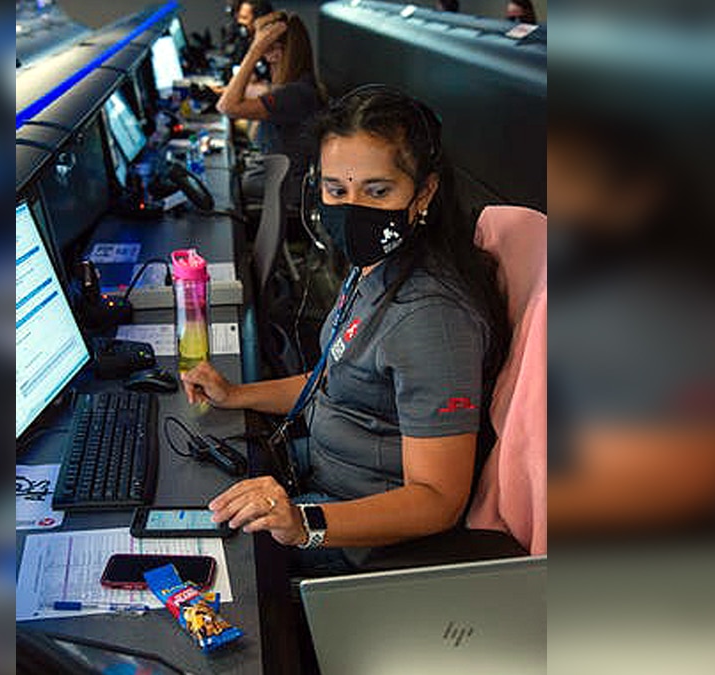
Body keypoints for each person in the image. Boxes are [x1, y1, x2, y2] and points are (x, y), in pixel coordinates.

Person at [186, 87, 511, 574]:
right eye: (337, 190)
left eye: (377, 191)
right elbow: (330, 378)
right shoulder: (377, 265)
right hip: (315, 480)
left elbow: (438, 499)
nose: (352, 208)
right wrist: (236, 394)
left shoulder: (431, 319)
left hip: (358, 539)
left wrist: (302, 521)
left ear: (423, 193)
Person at [217, 11, 326, 206]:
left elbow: (227, 106)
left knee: (217, 187)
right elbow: (246, 92)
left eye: (264, 48)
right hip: (273, 180)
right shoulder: (297, 86)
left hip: (282, 189)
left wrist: (254, 51)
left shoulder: (295, 94)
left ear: (276, 51)